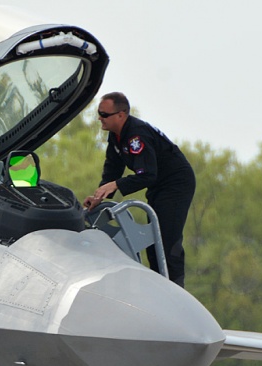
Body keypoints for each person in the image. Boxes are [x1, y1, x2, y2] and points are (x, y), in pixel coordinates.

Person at [83, 92, 195, 287]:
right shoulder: (116, 136)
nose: (99, 117)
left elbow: (147, 174)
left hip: (175, 183)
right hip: (158, 185)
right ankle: (160, 286)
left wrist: (116, 184)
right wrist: (99, 196)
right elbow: (112, 170)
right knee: (154, 241)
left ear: (121, 114)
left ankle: (175, 290)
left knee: (167, 239)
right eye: (98, 113)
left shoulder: (136, 135)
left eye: (104, 114)